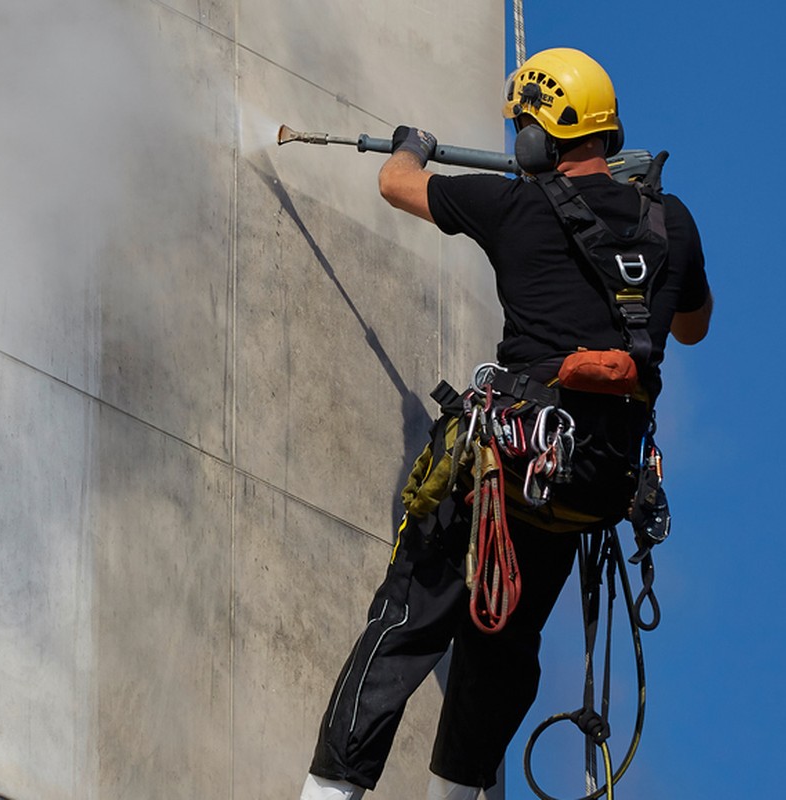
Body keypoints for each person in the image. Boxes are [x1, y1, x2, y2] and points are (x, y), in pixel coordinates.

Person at [299, 47, 712, 800]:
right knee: (503, 645)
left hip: (510, 468)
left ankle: (328, 794)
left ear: (538, 137)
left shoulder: (515, 206)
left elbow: (397, 184)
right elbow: (691, 326)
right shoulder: (670, 220)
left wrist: (412, 143)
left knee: (407, 623)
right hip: (584, 487)